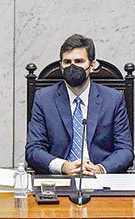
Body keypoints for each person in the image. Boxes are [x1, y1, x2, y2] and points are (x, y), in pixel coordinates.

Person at [26, 34, 134, 175]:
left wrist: (101, 169)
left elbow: (125, 150)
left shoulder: (113, 99)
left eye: (79, 61)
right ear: (61, 65)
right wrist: (63, 166)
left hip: (100, 179)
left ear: (92, 65)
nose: (73, 67)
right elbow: (33, 149)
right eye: (67, 62)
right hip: (59, 179)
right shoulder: (44, 99)